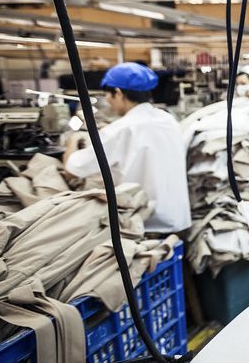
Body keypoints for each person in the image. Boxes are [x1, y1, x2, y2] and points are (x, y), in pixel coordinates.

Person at [64, 63, 190, 234]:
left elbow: (72, 170)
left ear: (118, 93)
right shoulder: (168, 120)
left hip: (145, 226)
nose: (108, 102)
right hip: (177, 220)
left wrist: (73, 140)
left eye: (108, 95)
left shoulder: (121, 129)